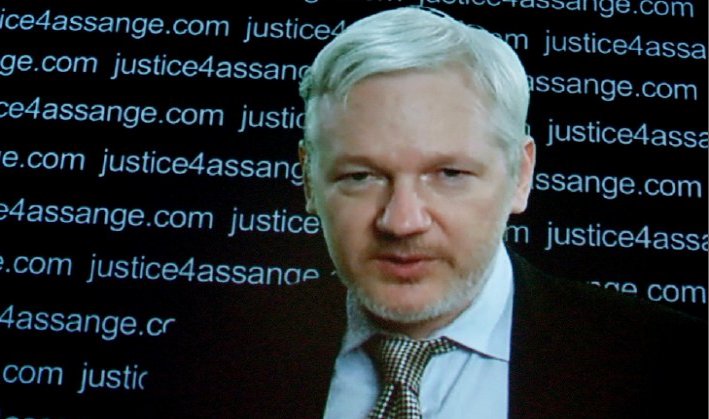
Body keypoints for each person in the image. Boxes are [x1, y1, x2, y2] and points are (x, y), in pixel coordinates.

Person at [293, 6, 707, 419]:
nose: (402, 222)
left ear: (521, 175)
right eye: (360, 177)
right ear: (309, 180)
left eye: (450, 174)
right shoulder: (251, 339)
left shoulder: (677, 364)